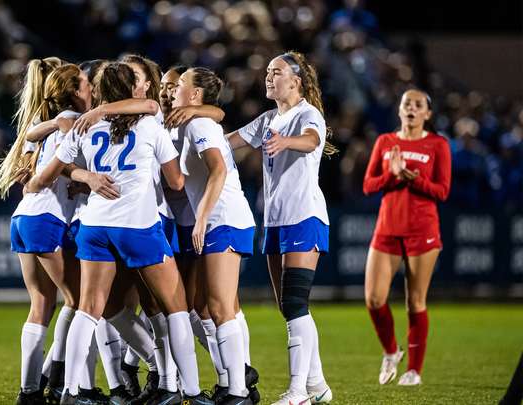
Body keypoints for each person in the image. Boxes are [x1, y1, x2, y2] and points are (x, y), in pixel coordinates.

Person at [26, 62, 213, 405]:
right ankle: (191, 391)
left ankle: (69, 390)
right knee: (175, 307)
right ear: (131, 90)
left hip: (95, 227)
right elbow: (175, 181)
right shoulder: (149, 125)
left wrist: (79, 178)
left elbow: (43, 178)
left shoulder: (83, 128)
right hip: (138, 226)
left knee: (88, 309)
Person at [0, 59, 111, 405]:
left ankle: (30, 391)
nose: (92, 88)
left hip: (24, 218)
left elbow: (29, 152)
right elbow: (58, 166)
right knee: (79, 302)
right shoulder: (74, 121)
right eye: (87, 84)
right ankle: (60, 380)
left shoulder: (46, 123)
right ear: (75, 91)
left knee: (42, 304)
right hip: (47, 218)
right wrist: (83, 177)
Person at [226, 52, 336, 404]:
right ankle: (317, 385)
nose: (268, 78)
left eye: (277, 72)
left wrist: (286, 142)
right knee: (289, 307)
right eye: (268, 72)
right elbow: (228, 142)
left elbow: (311, 140)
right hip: (275, 221)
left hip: (305, 216)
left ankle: (298, 392)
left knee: (294, 302)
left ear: (296, 81)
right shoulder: (269, 118)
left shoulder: (308, 114)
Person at [173, 67, 257, 405]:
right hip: (220, 219)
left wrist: (202, 218)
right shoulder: (194, 121)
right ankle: (235, 381)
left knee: (220, 307)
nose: (174, 89)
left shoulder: (199, 124)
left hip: (223, 219)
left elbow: (219, 168)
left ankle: (237, 390)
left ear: (195, 95)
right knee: (208, 306)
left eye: (180, 84)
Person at [362, 88, 451, 386]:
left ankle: (414, 370)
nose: (411, 108)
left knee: (415, 301)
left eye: (418, 105)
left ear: (427, 113)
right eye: (406, 104)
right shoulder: (385, 141)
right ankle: (391, 351)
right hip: (387, 228)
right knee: (374, 299)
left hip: (422, 230)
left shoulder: (437, 144)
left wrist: (416, 180)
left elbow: (442, 190)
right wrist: (393, 175)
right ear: (399, 110)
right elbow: (368, 185)